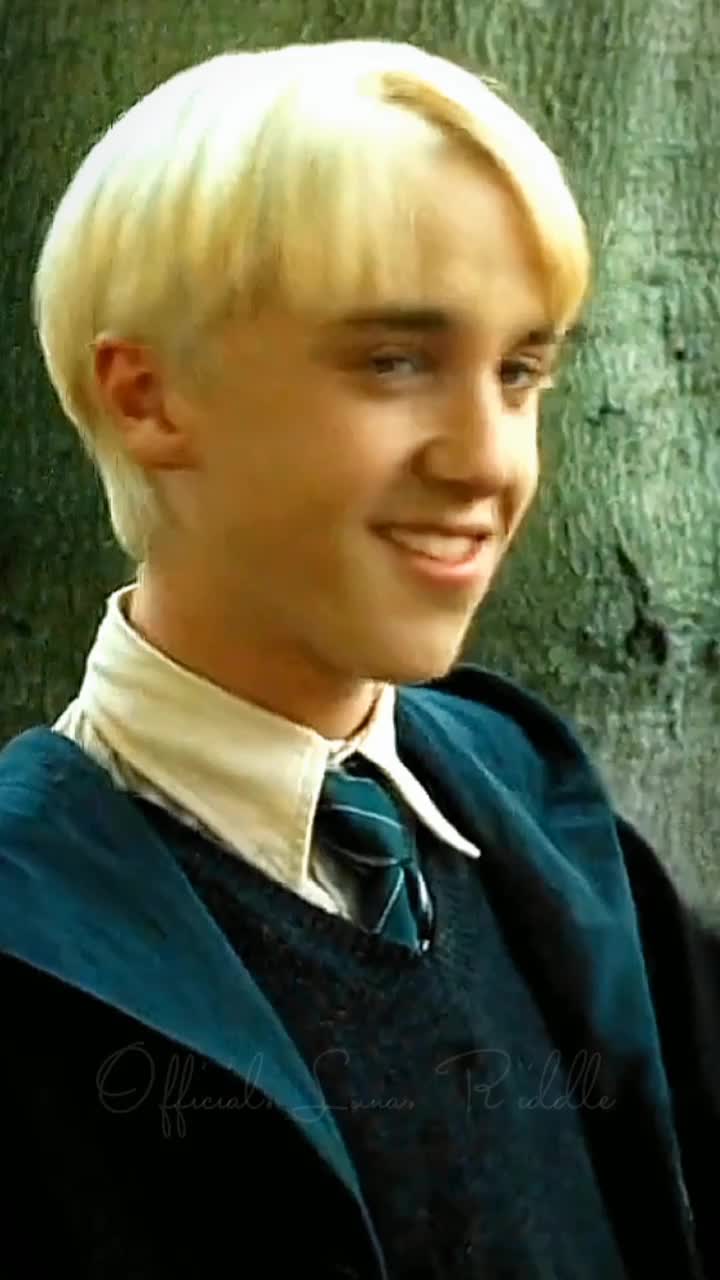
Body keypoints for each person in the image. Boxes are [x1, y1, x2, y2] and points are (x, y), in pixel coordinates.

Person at [0, 36, 716, 1280]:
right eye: (395, 361)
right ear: (148, 395)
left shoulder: (547, 820)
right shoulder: (27, 936)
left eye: (521, 370)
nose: (487, 460)